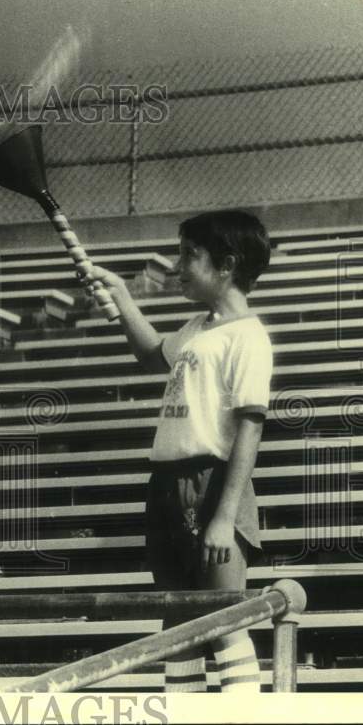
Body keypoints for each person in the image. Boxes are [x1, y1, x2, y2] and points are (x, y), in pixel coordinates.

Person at [85, 210, 273, 693]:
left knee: (224, 623)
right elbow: (151, 354)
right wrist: (122, 295)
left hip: (214, 485)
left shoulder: (248, 336)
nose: (177, 265)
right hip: (168, 485)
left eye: (190, 255)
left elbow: (250, 428)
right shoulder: (196, 327)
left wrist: (224, 517)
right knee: (177, 631)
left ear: (227, 263)